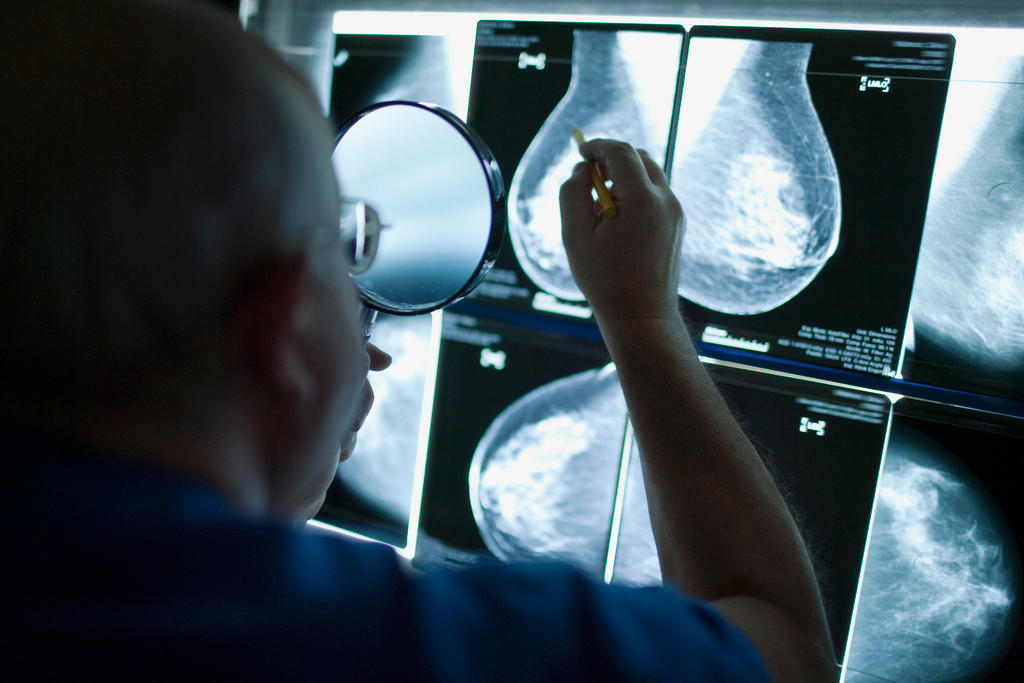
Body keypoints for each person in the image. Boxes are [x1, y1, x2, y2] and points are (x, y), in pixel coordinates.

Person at [2, 1, 834, 680]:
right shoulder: (388, 645)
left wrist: (262, 479)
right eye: (345, 253)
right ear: (285, 334)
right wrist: (643, 314)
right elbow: (785, 649)